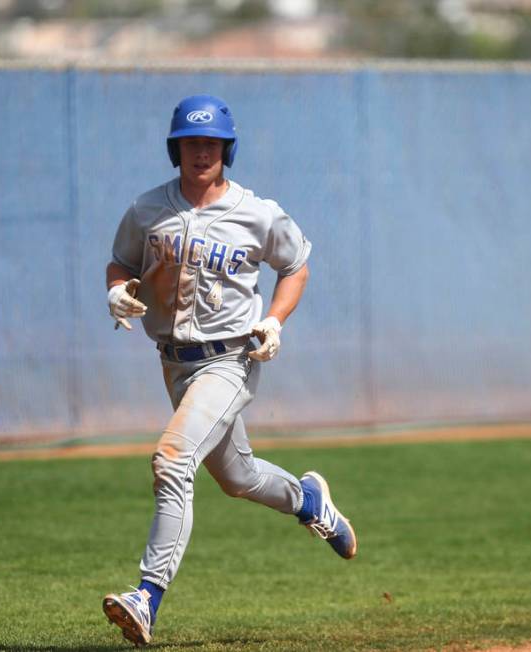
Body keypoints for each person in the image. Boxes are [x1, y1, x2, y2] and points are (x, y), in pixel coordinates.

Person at [101, 94, 358, 647]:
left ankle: (147, 596)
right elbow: (122, 261)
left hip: (230, 360)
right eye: (192, 142)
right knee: (235, 477)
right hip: (174, 364)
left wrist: (274, 320)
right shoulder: (148, 210)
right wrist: (118, 290)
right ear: (176, 148)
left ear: (227, 149)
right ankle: (308, 500)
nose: (201, 152)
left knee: (172, 461)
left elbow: (296, 265)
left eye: (211, 143)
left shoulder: (256, 211)